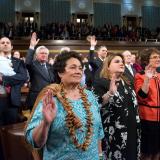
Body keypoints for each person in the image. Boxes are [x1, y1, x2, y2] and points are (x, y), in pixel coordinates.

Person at [25, 51, 104, 160]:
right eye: (73, 67)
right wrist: (45, 123)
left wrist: (100, 156)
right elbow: (35, 142)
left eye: (80, 68)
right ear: (60, 73)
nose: (78, 71)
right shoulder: (51, 97)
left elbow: (98, 131)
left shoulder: (90, 96)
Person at [93, 53, 141, 160]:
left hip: (133, 129)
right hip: (114, 132)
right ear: (108, 66)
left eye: (122, 62)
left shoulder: (128, 82)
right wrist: (109, 93)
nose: (121, 64)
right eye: (117, 61)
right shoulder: (101, 82)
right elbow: (96, 105)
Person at [134, 48, 160, 160]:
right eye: (154, 57)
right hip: (147, 119)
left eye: (158, 57)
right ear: (146, 60)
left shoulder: (159, 75)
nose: (158, 59)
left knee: (158, 151)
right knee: (147, 152)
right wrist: (147, 80)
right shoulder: (140, 76)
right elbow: (141, 96)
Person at [25, 32, 55, 110]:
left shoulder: (50, 66)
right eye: (41, 53)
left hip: (49, 98)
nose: (44, 55)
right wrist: (32, 46)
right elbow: (27, 62)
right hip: (36, 98)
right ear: (36, 55)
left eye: (46, 53)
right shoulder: (33, 65)